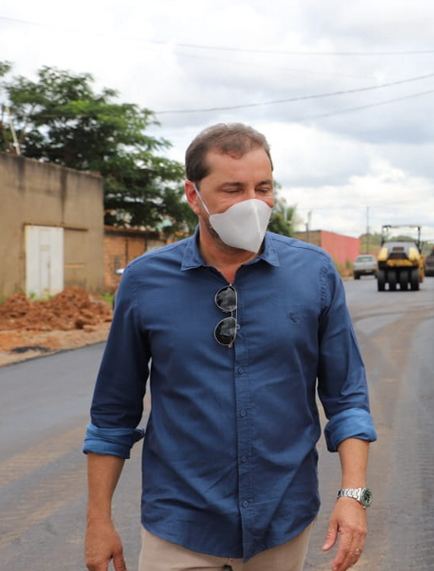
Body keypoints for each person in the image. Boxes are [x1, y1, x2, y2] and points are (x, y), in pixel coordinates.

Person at [83, 123, 377, 571]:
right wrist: (97, 520)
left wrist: (353, 496)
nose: (252, 204)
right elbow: (113, 412)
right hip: (179, 526)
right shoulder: (145, 281)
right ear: (192, 195)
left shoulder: (313, 274)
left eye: (263, 188)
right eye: (232, 190)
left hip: (282, 524)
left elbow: (347, 398)